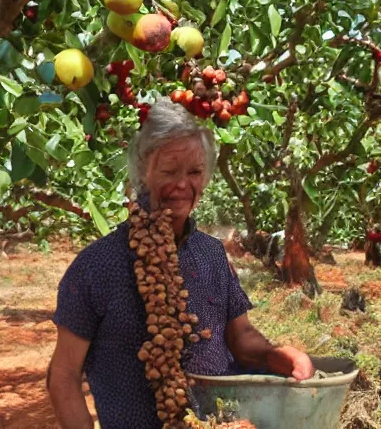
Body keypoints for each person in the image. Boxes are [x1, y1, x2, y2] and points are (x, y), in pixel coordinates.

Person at [48, 98, 315, 429]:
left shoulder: (212, 254)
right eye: (169, 171)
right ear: (143, 173)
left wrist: (275, 354)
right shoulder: (97, 265)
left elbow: (240, 334)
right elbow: (63, 376)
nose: (182, 185)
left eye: (194, 172)